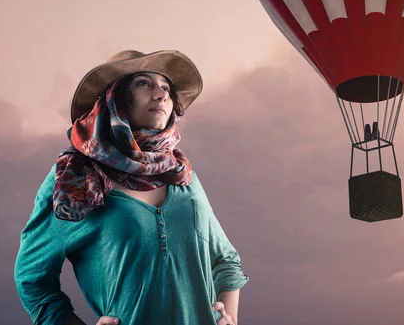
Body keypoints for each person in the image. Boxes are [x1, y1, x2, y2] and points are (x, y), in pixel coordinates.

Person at [14, 50, 249, 325]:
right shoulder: (74, 179)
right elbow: (32, 279)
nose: (161, 95)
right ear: (115, 98)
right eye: (143, 83)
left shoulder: (183, 178)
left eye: (166, 88)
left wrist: (229, 318)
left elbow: (226, 261)